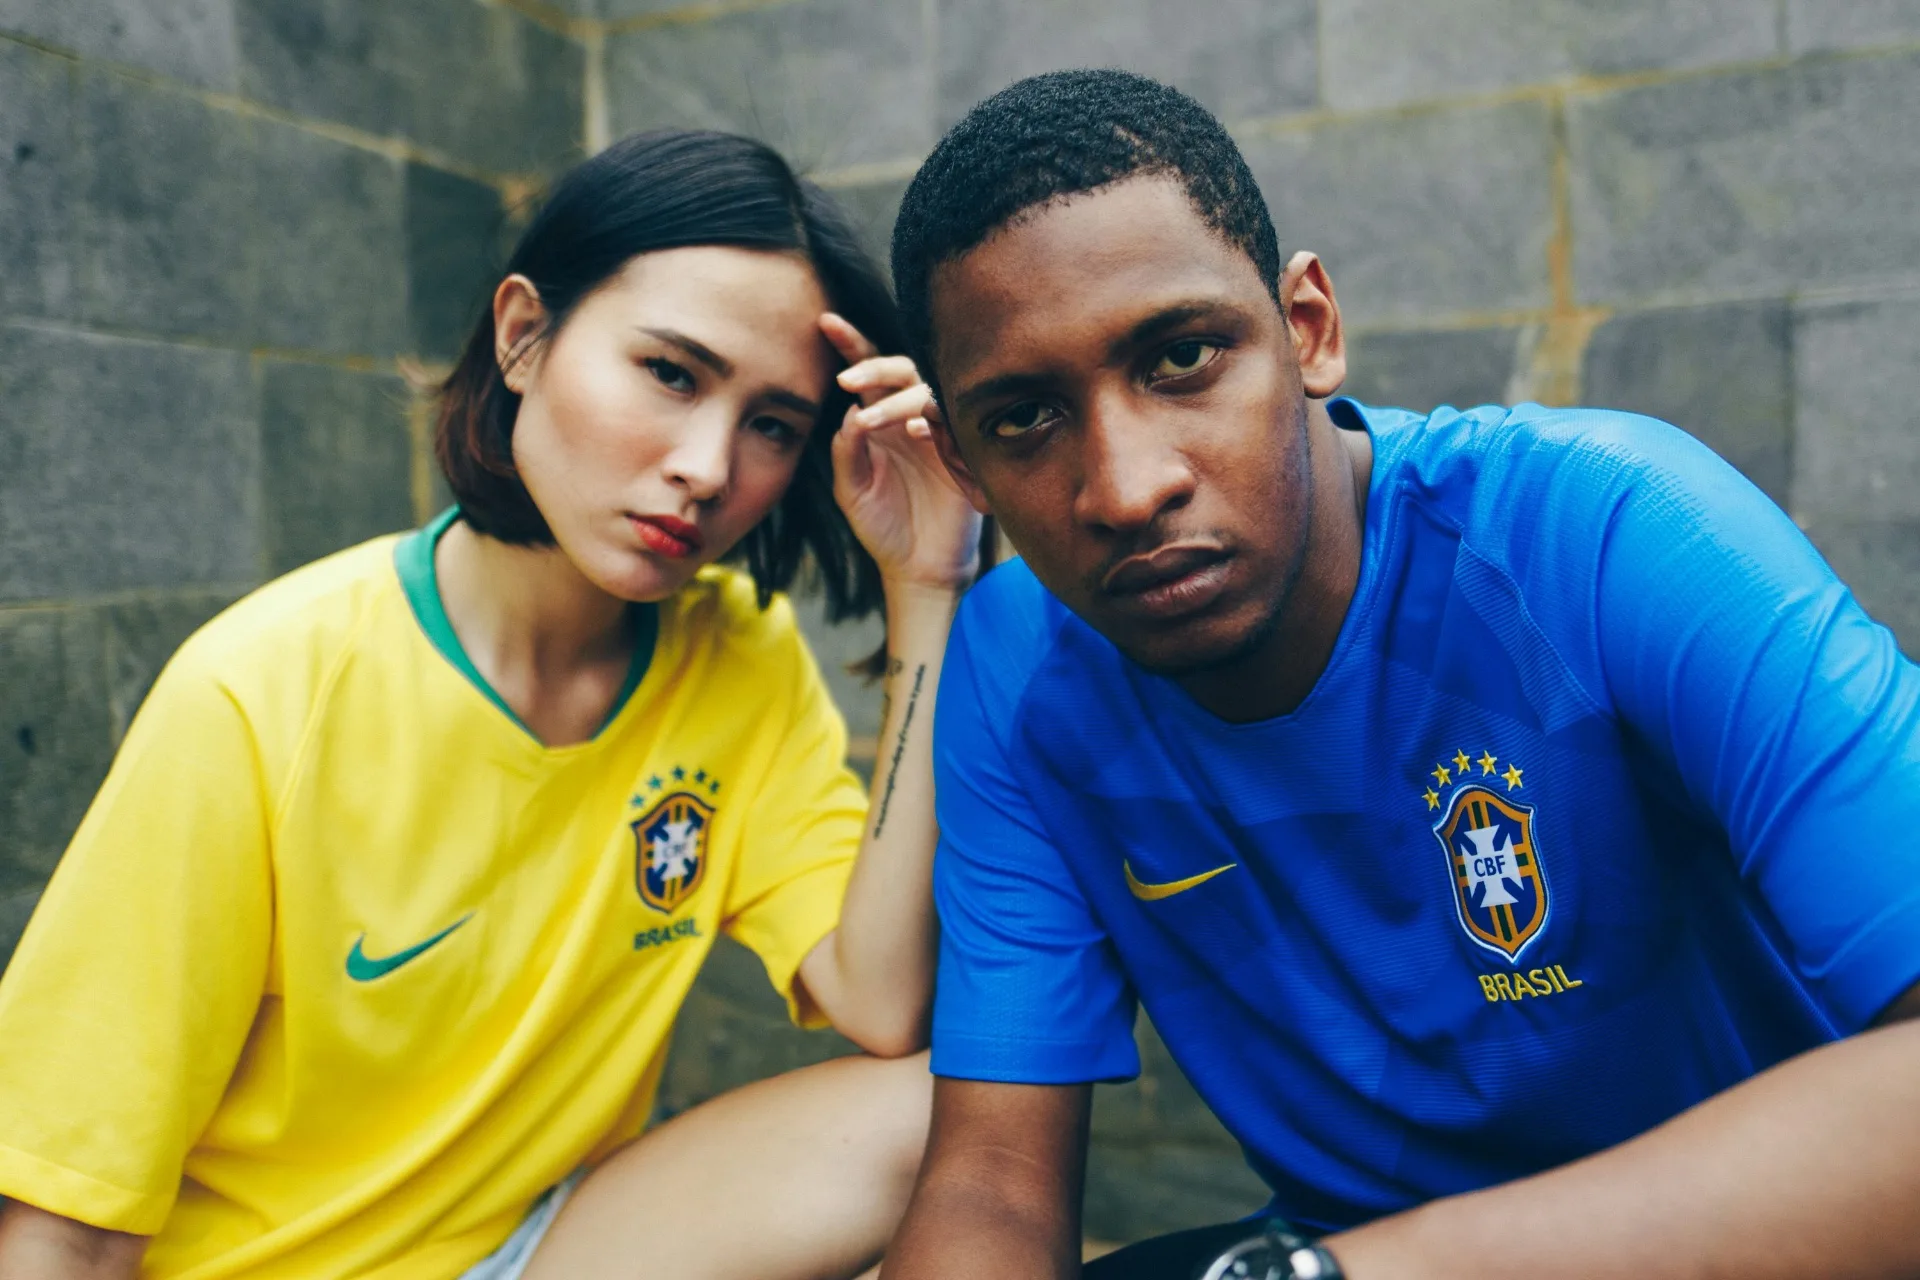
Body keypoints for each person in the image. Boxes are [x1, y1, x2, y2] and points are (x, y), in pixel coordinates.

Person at [878, 70, 1920, 1280]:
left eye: (1182, 356)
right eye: (1025, 417)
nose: (1126, 486)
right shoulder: (1018, 666)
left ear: (1308, 329)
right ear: (962, 461)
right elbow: (995, 1175)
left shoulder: (1608, 530)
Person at [0, 128, 979, 1280]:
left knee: (959, 1110)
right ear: (523, 336)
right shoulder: (262, 690)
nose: (709, 467)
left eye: (773, 424)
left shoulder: (740, 661)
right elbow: (66, 1223)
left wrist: (930, 585)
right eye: (672, 373)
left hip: (537, 1242)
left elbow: (880, 996)